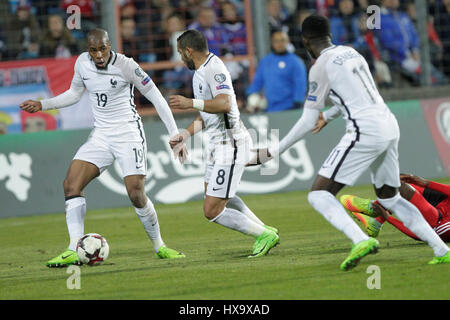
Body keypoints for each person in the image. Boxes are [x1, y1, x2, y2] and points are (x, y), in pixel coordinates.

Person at [251, 15, 450, 270]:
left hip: (364, 130)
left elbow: (306, 120)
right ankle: (441, 249)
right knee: (389, 197)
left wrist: (273, 151)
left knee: (319, 194)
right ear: (329, 35)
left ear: (305, 41)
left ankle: (360, 240)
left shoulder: (320, 66)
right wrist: (330, 114)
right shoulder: (351, 53)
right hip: (388, 124)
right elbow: (361, 93)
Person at [20, 28, 186, 267]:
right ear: (88, 50)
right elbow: (75, 94)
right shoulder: (82, 64)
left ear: (111, 46)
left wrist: (174, 133)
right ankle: (73, 249)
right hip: (101, 135)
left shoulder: (127, 66)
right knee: (71, 184)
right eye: (93, 50)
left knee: (136, 193)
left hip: (128, 133)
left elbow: (157, 98)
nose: (98, 55)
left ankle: (160, 246)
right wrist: (43, 104)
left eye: (103, 49)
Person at [168, 29, 279, 258]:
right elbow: (205, 116)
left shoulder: (214, 68)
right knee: (215, 194)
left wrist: (190, 102)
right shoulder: (199, 72)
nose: (180, 58)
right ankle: (265, 229)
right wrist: (185, 135)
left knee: (212, 209)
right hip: (217, 145)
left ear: (189, 51)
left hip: (231, 143)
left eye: (180, 53)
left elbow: (224, 104)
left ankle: (263, 234)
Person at [340, 174, 450, 243]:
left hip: (435, 218)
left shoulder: (446, 229)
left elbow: (425, 234)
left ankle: (373, 208)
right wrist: (426, 183)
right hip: (441, 204)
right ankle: (375, 222)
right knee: (400, 179)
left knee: (399, 187)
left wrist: (388, 218)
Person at [245, 30, 307, 113]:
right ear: (272, 43)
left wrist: (298, 101)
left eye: (282, 40)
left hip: (290, 108)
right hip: (270, 109)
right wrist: (250, 94)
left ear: (288, 41)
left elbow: (300, 84)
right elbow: (257, 81)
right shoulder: (265, 61)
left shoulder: (296, 62)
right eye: (276, 41)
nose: (279, 44)